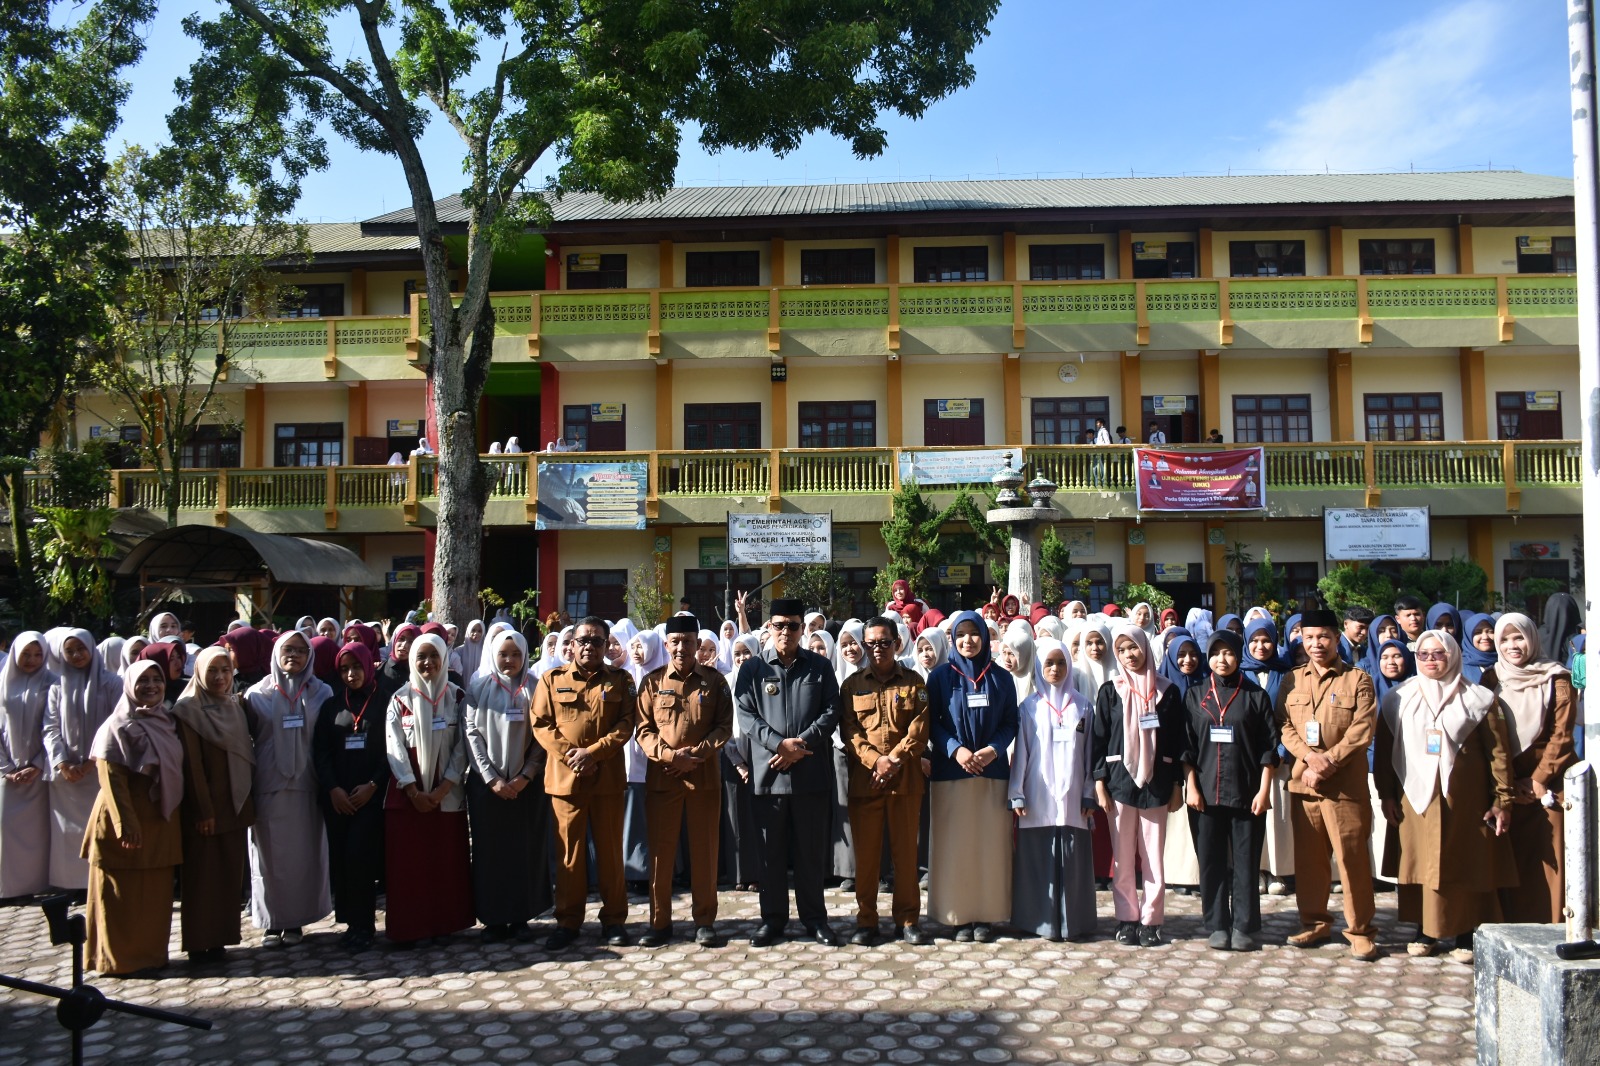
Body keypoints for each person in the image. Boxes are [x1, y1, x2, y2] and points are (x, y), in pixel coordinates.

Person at [1375, 630, 1515, 961]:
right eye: (1423, 655)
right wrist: (1387, 795)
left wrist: (1502, 799)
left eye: (1438, 654)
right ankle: (1426, 930)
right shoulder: (1399, 697)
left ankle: (1466, 933)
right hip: (1415, 796)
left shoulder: (1479, 698)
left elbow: (1499, 753)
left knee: (1464, 861)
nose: (1430, 661)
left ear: (1452, 655)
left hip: (1465, 799)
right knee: (1421, 861)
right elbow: (1383, 752)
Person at [736, 598, 842, 947]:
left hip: (810, 773)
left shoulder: (820, 667)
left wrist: (802, 743)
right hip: (769, 776)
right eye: (779, 625)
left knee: (811, 853)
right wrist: (779, 746)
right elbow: (747, 716)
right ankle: (773, 919)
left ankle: (815, 919)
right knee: (771, 855)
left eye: (793, 626)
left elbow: (831, 711)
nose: (785, 632)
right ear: (768, 627)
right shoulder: (752, 670)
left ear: (803, 629)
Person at [1275, 608, 1380, 961]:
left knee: (1352, 861)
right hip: (1305, 786)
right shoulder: (1291, 680)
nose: (1316, 644)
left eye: (1323, 637)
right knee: (1309, 862)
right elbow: (1283, 726)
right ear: (1301, 640)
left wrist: (1327, 761)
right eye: (1309, 638)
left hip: (1344, 788)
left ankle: (1361, 930)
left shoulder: (1358, 680)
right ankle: (1315, 921)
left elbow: (1362, 730)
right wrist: (1309, 757)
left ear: (1337, 639)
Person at [531, 615, 636, 950]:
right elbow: (541, 723)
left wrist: (593, 753)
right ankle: (568, 922)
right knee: (569, 856)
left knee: (610, 854)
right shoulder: (551, 679)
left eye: (597, 641)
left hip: (607, 779)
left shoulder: (621, 680)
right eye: (583, 640)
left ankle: (615, 919)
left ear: (606, 646)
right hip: (566, 781)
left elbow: (626, 724)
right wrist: (572, 755)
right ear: (572, 645)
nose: (590, 646)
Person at [634, 615, 734, 947]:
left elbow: (724, 726)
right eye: (675, 641)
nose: (681, 648)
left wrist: (698, 754)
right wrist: (669, 756)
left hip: (703, 777)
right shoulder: (651, 682)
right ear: (666, 644)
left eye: (688, 641)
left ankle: (705, 920)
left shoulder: (716, 682)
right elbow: (643, 730)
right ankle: (659, 922)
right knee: (661, 854)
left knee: (705, 851)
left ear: (697, 644)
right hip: (663, 779)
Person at [82, 660, 183, 976]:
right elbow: (111, 780)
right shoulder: (117, 726)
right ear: (129, 686)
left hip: (158, 822)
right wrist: (125, 823)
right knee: (120, 894)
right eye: (143, 681)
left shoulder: (164, 720)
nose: (151, 686)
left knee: (153, 894)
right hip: (124, 820)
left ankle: (150, 955)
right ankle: (119, 960)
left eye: (157, 680)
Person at [837, 617, 930, 946]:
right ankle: (867, 921)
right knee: (867, 857)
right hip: (867, 783)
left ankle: (907, 920)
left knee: (905, 856)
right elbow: (849, 731)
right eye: (871, 643)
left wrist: (894, 760)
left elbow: (919, 729)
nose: (878, 649)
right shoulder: (851, 685)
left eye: (884, 642)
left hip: (905, 782)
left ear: (897, 644)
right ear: (864, 646)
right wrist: (876, 760)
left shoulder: (914, 682)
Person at [926, 610, 1018, 942]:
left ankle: (987, 915)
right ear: (953, 638)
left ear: (984, 635)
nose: (968, 640)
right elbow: (931, 722)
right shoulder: (939, 677)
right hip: (952, 772)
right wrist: (956, 750)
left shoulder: (1001, 678)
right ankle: (957, 915)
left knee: (989, 846)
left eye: (974, 633)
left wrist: (993, 749)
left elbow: (1011, 722)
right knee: (955, 847)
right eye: (961, 634)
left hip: (992, 773)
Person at [1480, 612, 1577, 924]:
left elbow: (1562, 736)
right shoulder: (1491, 678)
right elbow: (1486, 735)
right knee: (1510, 863)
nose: (1512, 645)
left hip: (1550, 787)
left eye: (1519, 637)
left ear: (1532, 638)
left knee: (1551, 861)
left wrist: (1539, 778)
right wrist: (1508, 782)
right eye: (1504, 639)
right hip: (1506, 787)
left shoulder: (1556, 677)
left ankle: (1552, 930)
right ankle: (1512, 932)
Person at [1182, 631, 1276, 951]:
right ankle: (1217, 924)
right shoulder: (1195, 696)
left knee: (1246, 861)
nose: (1222, 659)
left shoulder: (1254, 696)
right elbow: (1187, 747)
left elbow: (1268, 748)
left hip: (1247, 791)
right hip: (1205, 795)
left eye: (1229, 653)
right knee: (1211, 861)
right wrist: (1191, 786)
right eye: (1216, 653)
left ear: (1239, 656)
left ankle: (1244, 925)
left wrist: (1264, 791)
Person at [1093, 624, 1185, 948]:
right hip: (1119, 783)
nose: (1129, 655)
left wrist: (1177, 785)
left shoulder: (1167, 691)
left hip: (1157, 783)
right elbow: (1099, 740)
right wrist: (1099, 782)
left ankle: (1151, 920)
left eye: (1133, 647)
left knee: (1153, 858)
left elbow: (1176, 740)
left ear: (1145, 648)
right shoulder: (1110, 691)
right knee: (1122, 856)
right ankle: (1126, 918)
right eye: (1121, 650)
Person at [245, 630, 333, 948]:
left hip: (307, 786)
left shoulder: (322, 693)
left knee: (303, 857)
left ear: (310, 655)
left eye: (300, 650)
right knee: (269, 858)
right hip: (270, 785)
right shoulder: (256, 695)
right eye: (287, 649)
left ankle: (296, 923)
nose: (293, 655)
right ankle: (272, 924)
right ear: (276, 653)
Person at [384, 633, 474, 944]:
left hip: (446, 796)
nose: (428, 663)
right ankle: (412, 927)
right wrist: (413, 790)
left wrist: (443, 787)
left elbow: (464, 746)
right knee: (412, 866)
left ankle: (446, 925)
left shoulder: (458, 697)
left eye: (433, 656)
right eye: (421, 657)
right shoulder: (399, 700)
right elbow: (394, 748)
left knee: (446, 862)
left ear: (444, 659)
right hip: (411, 798)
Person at [462, 629, 551, 941]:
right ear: (493, 655)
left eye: (516, 654)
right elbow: (471, 732)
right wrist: (491, 779)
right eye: (503, 654)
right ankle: (493, 918)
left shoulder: (536, 688)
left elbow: (542, 735)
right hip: (488, 788)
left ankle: (521, 917)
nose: (510, 660)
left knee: (524, 850)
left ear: (525, 655)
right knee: (490, 853)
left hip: (527, 787)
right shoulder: (478, 686)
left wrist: (525, 775)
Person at [1009, 638, 1096, 942]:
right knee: (1037, 860)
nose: (1055, 669)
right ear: (1039, 667)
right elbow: (1021, 753)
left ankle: (1073, 923)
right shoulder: (1029, 708)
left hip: (1073, 797)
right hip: (1038, 795)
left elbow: (1089, 757)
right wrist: (1016, 791)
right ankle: (1038, 921)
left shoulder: (1083, 706)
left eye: (1060, 662)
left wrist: (1089, 792)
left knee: (1072, 861)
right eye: (1049, 663)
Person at [312, 640, 394, 951]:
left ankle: (364, 925)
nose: (350, 674)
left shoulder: (384, 702)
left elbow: (393, 749)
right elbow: (321, 752)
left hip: (371, 798)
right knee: (343, 861)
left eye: (356, 666)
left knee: (362, 860)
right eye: (344, 669)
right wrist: (332, 788)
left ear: (368, 665)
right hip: (338, 799)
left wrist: (373, 784)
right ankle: (349, 922)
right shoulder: (332, 706)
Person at [43, 629, 121, 892]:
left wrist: (92, 761)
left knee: (100, 829)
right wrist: (61, 762)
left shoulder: (111, 683)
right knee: (68, 833)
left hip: (100, 770)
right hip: (67, 776)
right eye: (70, 651)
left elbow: (116, 725)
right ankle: (72, 886)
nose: (76, 655)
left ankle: (99, 882)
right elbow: (50, 727)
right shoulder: (56, 687)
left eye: (81, 649)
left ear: (92, 648)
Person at [0, 632, 54, 900]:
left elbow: (54, 729)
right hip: (8, 774)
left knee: (38, 834)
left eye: (38, 654)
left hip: (40, 774)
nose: (32, 660)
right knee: (7, 830)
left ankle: (35, 886)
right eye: (26, 654)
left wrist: (38, 765)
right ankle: (9, 888)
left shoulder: (52, 683)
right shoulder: (2, 683)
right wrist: (6, 768)